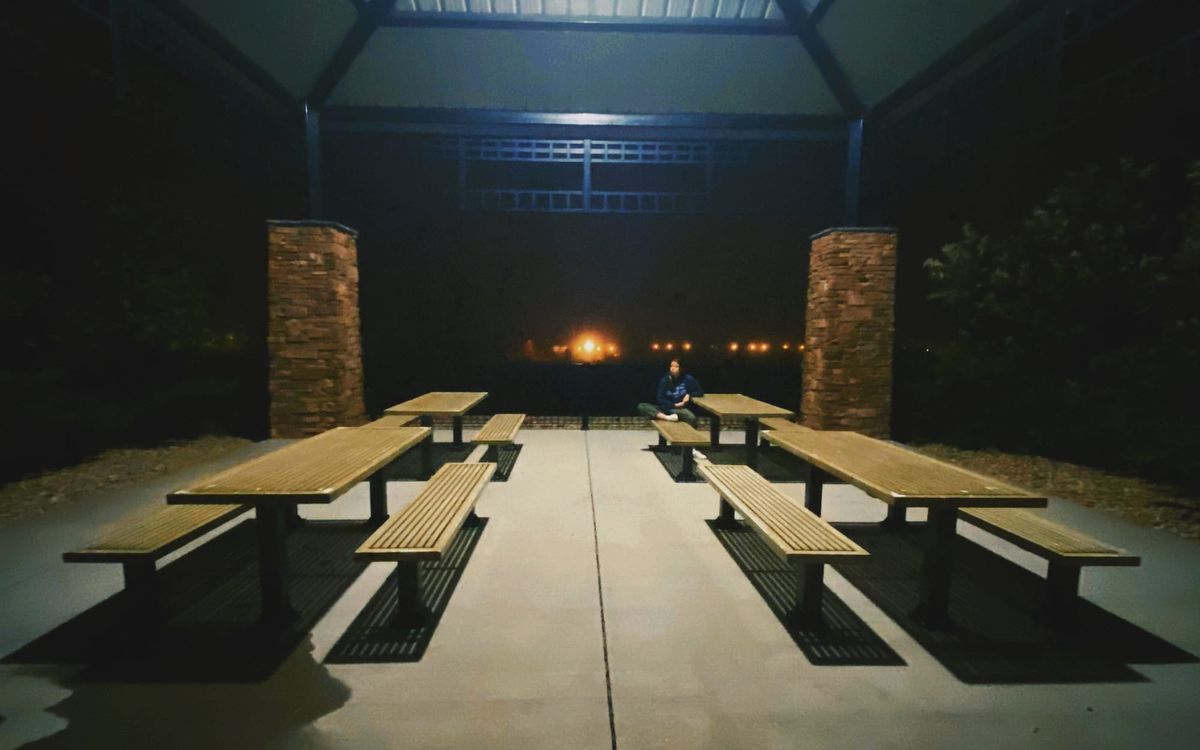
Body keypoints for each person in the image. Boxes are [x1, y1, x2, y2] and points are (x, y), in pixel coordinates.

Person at [638, 359, 707, 460]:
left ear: (681, 368)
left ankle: (691, 448)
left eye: (676, 366)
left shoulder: (688, 379)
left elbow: (700, 391)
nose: (672, 368)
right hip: (667, 407)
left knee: (691, 417)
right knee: (642, 406)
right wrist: (673, 405)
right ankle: (667, 418)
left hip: (679, 409)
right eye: (671, 366)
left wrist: (689, 395)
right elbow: (660, 398)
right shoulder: (665, 380)